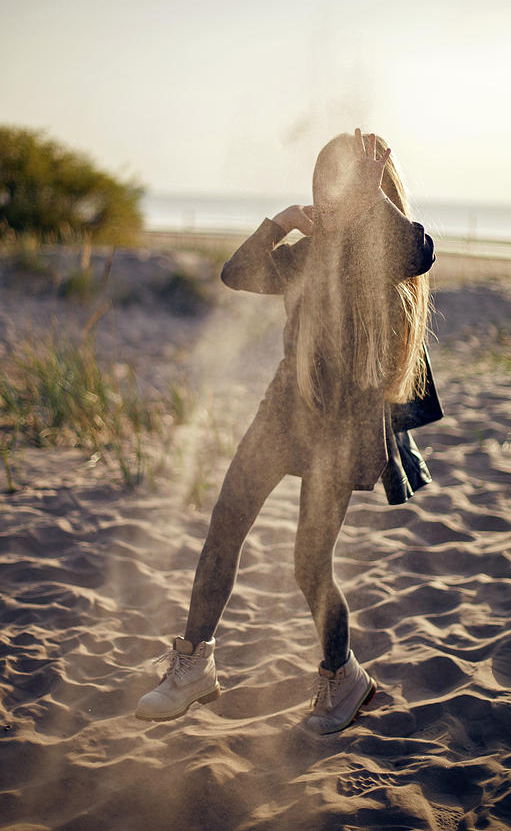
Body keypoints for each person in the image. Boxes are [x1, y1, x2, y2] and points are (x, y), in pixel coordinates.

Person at [136, 129, 443, 735]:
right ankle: (193, 665)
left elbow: (419, 252)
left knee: (309, 563)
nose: (329, 198)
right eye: (323, 185)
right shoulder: (305, 253)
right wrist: (279, 221)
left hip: (344, 425)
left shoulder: (380, 251)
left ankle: (342, 676)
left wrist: (374, 196)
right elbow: (236, 273)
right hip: (284, 408)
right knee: (226, 520)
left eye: (342, 186)